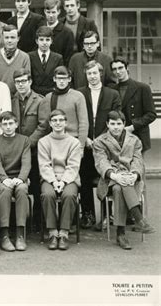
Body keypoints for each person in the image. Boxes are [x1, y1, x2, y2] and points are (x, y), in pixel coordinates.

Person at [93, 110, 155, 250]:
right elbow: (101, 162)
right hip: (109, 178)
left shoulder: (135, 140)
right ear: (107, 124)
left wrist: (134, 175)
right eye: (113, 124)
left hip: (130, 179)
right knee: (116, 185)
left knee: (119, 188)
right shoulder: (100, 141)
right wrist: (115, 175)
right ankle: (138, 219)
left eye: (119, 124)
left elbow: (138, 160)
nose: (116, 127)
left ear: (124, 124)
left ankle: (121, 233)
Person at [77, 60, 121, 229]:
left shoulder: (112, 94)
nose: (92, 76)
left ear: (101, 74)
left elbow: (116, 117)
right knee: (85, 179)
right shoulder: (79, 93)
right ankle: (87, 214)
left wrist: (101, 139)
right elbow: (78, 118)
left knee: (106, 178)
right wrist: (86, 139)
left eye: (95, 73)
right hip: (87, 145)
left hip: (106, 146)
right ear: (85, 75)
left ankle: (106, 214)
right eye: (89, 74)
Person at [38, 109, 83, 251]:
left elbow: (73, 165)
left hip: (69, 178)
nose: (58, 123)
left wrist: (63, 181)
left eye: (61, 120)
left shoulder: (74, 142)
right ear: (50, 123)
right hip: (49, 177)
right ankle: (52, 233)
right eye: (54, 120)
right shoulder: (43, 141)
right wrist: (53, 181)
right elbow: (44, 164)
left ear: (66, 123)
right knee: (47, 195)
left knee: (69, 195)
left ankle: (63, 233)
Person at [12, 69, 50, 229]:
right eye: (18, 82)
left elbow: (43, 125)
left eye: (23, 81)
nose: (21, 85)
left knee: (35, 183)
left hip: (34, 150)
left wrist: (28, 142)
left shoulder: (40, 101)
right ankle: (17, 219)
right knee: (17, 182)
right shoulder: (11, 100)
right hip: (15, 150)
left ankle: (38, 220)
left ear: (30, 82)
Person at [0, 111, 31, 251]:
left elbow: (26, 162)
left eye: (10, 123)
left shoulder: (24, 140)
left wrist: (21, 179)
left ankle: (20, 235)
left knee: (22, 190)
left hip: (19, 177)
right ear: (0, 126)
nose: (8, 127)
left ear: (16, 124)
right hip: (2, 178)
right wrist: (4, 179)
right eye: (4, 124)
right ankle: (5, 235)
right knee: (5, 191)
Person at [109, 57, 156, 153]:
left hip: (137, 134)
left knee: (136, 166)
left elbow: (151, 114)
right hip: (118, 136)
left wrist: (132, 127)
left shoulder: (142, 88)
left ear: (127, 68)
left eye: (120, 68)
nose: (118, 71)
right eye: (114, 69)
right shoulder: (112, 89)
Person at [43, 66, 88, 148]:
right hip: (55, 140)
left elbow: (83, 123)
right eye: (59, 78)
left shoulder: (78, 96)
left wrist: (81, 146)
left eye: (64, 78)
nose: (61, 81)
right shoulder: (49, 97)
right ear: (54, 79)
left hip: (73, 140)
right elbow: (46, 122)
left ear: (69, 79)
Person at [0, 24, 31, 94]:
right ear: (3, 38)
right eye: (7, 37)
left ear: (18, 38)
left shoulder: (24, 57)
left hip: (18, 97)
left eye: (12, 37)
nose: (9, 40)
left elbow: (26, 81)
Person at [28, 26, 64, 96]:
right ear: (36, 41)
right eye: (41, 40)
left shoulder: (58, 58)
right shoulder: (29, 56)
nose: (44, 43)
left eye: (47, 40)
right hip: (34, 95)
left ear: (51, 41)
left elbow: (59, 78)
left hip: (52, 94)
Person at [43, 0, 75, 66]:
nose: (51, 15)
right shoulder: (39, 29)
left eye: (53, 12)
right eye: (48, 12)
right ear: (45, 12)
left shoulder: (67, 33)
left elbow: (68, 57)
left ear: (58, 12)